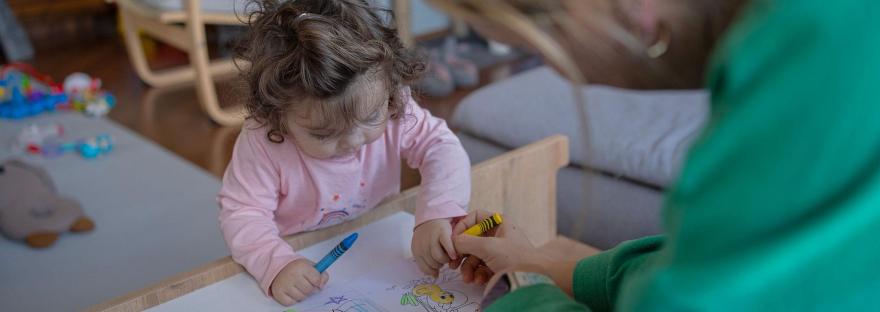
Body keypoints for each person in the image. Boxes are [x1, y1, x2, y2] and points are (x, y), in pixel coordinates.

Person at [436, 0, 880, 310]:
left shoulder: (812, 51)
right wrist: (541, 265)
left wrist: (517, 295)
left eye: (538, 48)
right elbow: (698, 262)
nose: (555, 71)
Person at [217, 0, 471, 305]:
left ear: (390, 90)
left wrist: (437, 213)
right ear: (276, 116)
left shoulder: (393, 105)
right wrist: (276, 263)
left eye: (370, 118)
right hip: (299, 256)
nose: (353, 141)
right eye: (324, 134)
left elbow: (440, 146)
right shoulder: (263, 139)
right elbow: (243, 212)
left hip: (376, 238)